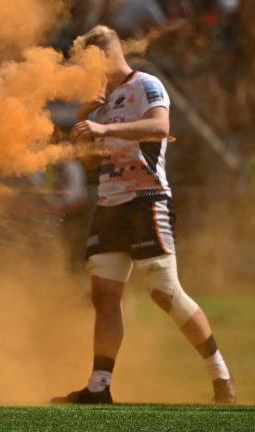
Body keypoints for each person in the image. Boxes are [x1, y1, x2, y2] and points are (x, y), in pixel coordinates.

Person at [54, 26, 236, 405]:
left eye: (88, 63)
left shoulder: (146, 84)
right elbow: (91, 159)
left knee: (164, 290)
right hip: (108, 204)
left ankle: (221, 376)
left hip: (146, 198)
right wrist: (87, 119)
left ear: (102, 55)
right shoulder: (101, 101)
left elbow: (160, 127)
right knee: (104, 295)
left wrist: (105, 125)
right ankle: (99, 386)